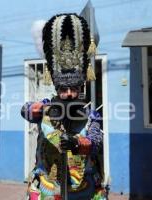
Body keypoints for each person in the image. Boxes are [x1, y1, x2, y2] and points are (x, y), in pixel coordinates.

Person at [21, 13, 107, 200]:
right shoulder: (47, 107)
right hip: (49, 187)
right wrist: (31, 109)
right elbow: (28, 110)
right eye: (64, 89)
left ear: (80, 88)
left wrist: (77, 143)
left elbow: (95, 142)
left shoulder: (91, 116)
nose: (68, 94)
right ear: (57, 88)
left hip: (82, 189)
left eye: (73, 89)